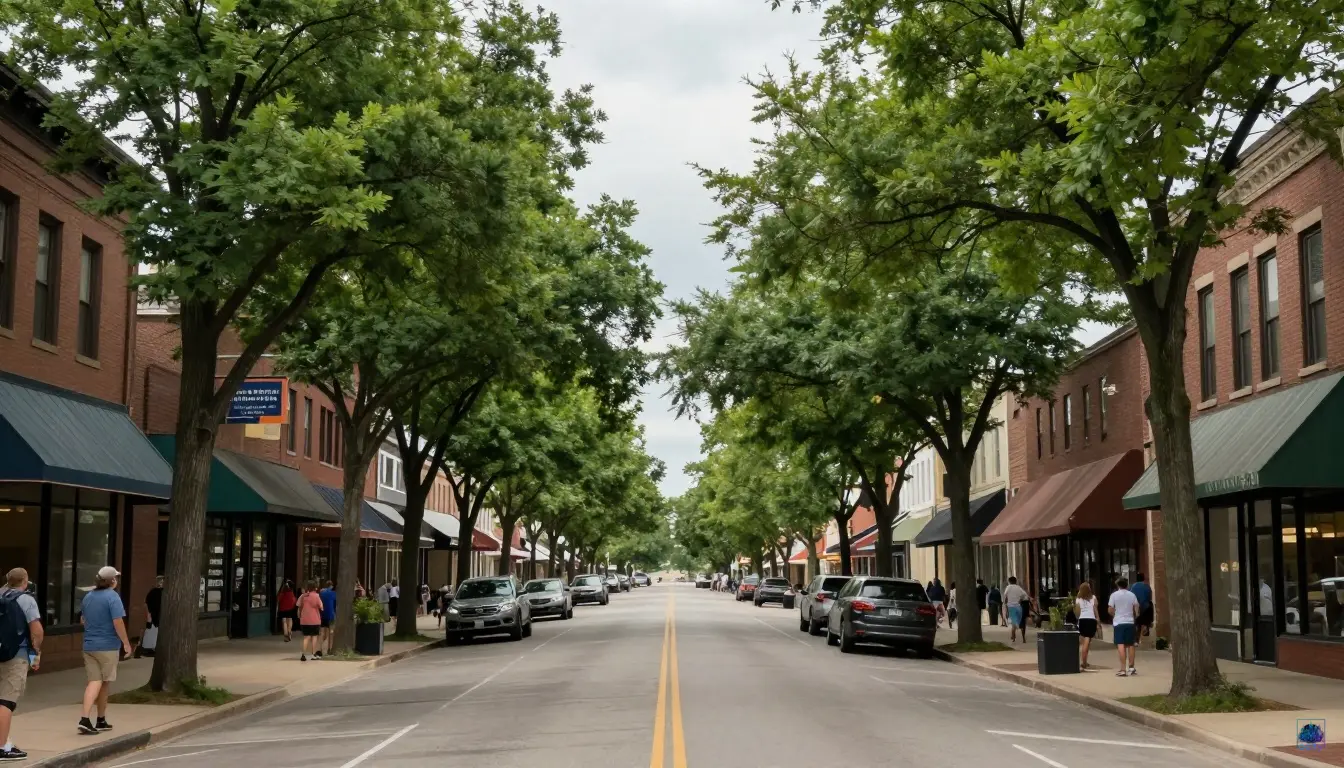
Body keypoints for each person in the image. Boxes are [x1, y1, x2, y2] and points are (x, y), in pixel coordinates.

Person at [78, 566, 131, 735]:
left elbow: (83, 620)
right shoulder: (113, 597)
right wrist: (126, 643)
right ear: (112, 580)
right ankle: (85, 719)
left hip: (89, 645)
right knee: (102, 682)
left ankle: (100, 720)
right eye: (116, 578)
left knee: (95, 681)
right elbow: (118, 622)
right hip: (107, 646)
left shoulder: (88, 597)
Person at [0, 568, 43, 761]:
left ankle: (5, 741)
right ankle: (2, 748)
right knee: (6, 700)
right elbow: (36, 631)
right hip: (16, 654)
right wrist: (36, 655)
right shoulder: (26, 600)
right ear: (25, 581)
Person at [1108, 577, 1141, 676]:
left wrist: (1115, 615)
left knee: (1120, 644)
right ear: (1127, 585)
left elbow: (1110, 609)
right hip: (1130, 622)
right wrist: (1135, 615)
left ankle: (1123, 669)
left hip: (1119, 622)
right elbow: (1137, 607)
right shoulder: (1132, 595)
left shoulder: (1114, 595)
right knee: (1131, 644)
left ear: (1118, 585)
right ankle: (1131, 667)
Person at [135, 576, 164, 658]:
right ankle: (146, 649)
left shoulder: (153, 592)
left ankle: (147, 648)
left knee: (151, 632)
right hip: (154, 616)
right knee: (151, 631)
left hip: (154, 615)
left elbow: (146, 603)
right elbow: (147, 604)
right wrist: (149, 615)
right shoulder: (156, 592)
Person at [1075, 582, 1100, 670]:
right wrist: (1098, 619)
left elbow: (1077, 612)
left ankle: (1084, 661)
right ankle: (1084, 662)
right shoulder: (1093, 598)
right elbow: (1095, 609)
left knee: (1084, 642)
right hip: (1091, 620)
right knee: (1087, 641)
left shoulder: (1078, 599)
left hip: (1082, 620)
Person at [296, 581, 324, 662]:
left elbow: (299, 606)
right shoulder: (316, 596)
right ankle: (313, 654)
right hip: (315, 620)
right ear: (315, 587)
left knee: (306, 637)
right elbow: (321, 607)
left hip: (304, 620)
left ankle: (303, 654)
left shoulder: (302, 596)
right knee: (314, 637)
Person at [1002, 576, 1029, 643]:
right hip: (1018, 606)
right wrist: (1020, 600)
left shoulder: (1008, 587)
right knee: (1021, 622)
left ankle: (1013, 637)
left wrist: (1005, 603)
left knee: (1013, 623)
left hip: (1011, 607)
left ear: (1009, 581)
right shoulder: (1018, 587)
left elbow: (1005, 595)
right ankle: (1023, 638)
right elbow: (1024, 595)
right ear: (1016, 581)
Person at [1131, 572, 1154, 638]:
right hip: (1146, 608)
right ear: (1143, 578)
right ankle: (1147, 629)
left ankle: (1137, 639)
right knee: (1146, 623)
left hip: (1137, 608)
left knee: (1137, 624)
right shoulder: (1147, 586)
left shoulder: (1133, 587)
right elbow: (1149, 598)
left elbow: (1132, 598)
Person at [318, 581, 337, 657]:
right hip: (330, 615)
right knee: (330, 633)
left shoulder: (321, 593)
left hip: (322, 615)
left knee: (322, 632)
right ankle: (329, 649)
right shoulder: (333, 593)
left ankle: (320, 649)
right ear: (331, 586)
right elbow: (335, 605)